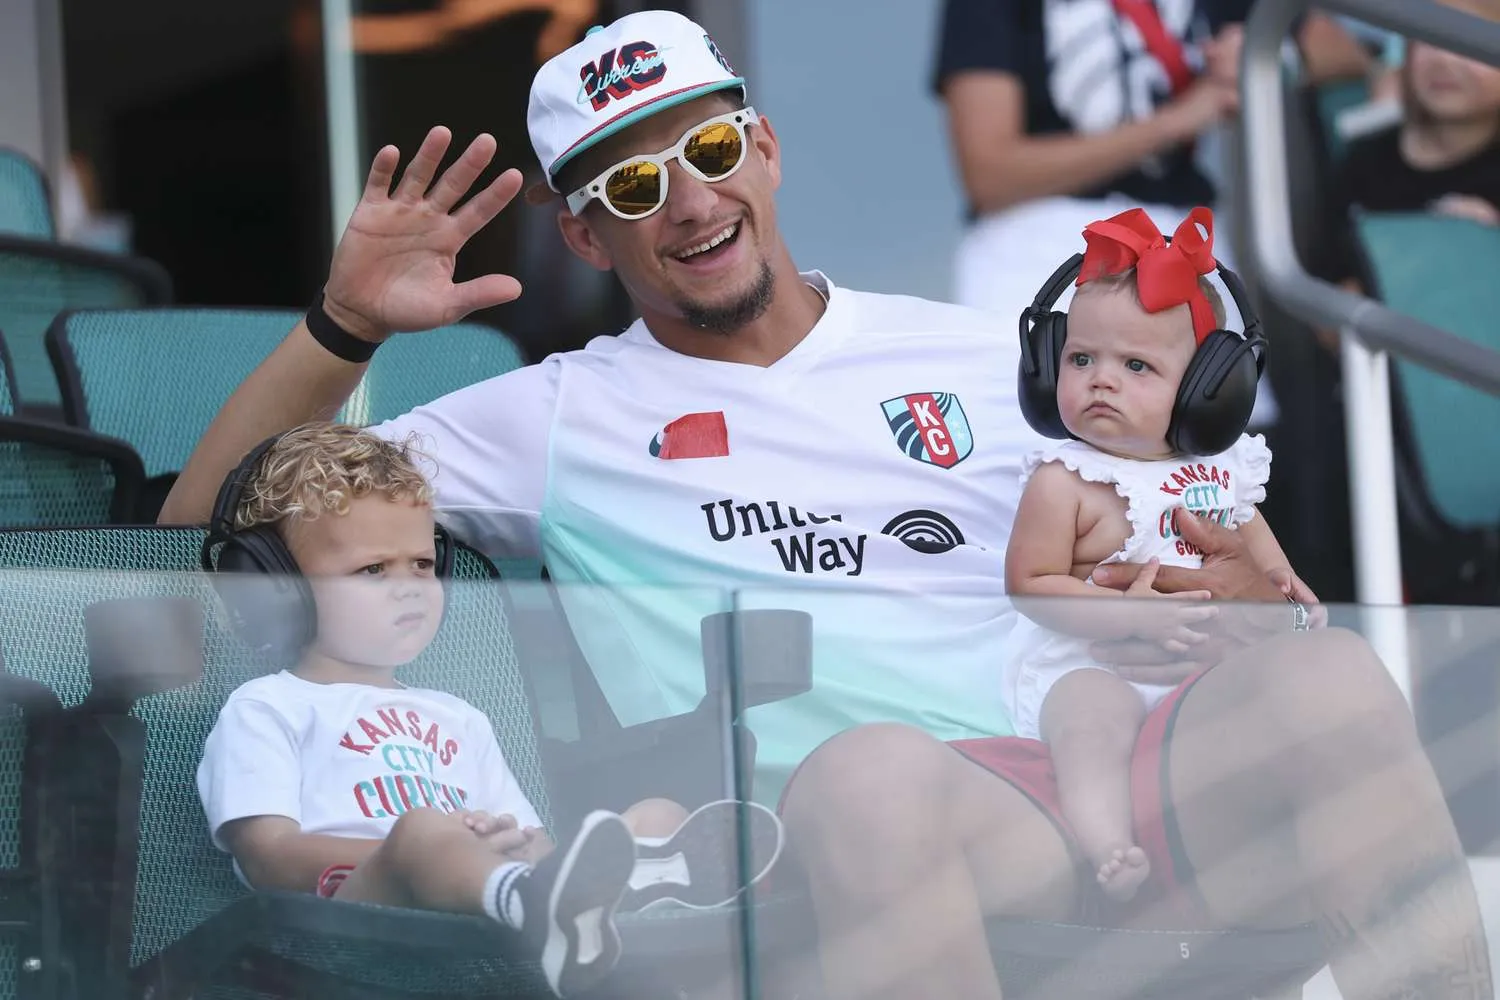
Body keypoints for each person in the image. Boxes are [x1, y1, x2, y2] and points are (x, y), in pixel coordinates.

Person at [162, 10, 1490, 1000]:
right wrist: (341, 327)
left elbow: (1152, 537)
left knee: (1326, 689)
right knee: (872, 776)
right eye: (633, 187)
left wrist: (1198, 605)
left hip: (1098, 764)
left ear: (769, 147)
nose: (690, 201)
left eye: (714, 146)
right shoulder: (547, 417)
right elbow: (198, 530)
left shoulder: (982, 350)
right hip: (817, 831)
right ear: (583, 236)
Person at [196, 422, 784, 997]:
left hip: (473, 905)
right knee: (422, 830)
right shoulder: (267, 706)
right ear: (277, 588)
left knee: (656, 815)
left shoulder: (459, 715)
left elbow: (531, 833)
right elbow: (269, 855)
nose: (410, 587)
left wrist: (515, 849)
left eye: (422, 565)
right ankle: (534, 905)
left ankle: (594, 893)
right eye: (372, 570)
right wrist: (409, 854)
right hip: (346, 922)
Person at [1001, 205, 1317, 903]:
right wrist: (1125, 617)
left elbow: (1262, 561)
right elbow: (1030, 583)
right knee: (1090, 721)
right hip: (1091, 664)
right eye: (1081, 359)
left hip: (1202, 671)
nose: (1101, 379)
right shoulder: (1066, 480)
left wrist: (1293, 601)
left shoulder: (1228, 471)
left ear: (1209, 389)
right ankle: (1107, 843)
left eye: (1137, 365)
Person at [931, 0, 1372, 431]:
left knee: (1218, 471)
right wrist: (1176, 121)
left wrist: (1261, 56)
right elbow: (989, 172)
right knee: (1034, 465)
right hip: (1035, 249)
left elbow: (1341, 48)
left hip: (1177, 240)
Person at [1311, 0, 1500, 300]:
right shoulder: (1365, 161)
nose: (1444, 59)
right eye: (1429, 38)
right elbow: (1323, 293)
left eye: (1467, 41)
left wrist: (1483, 250)